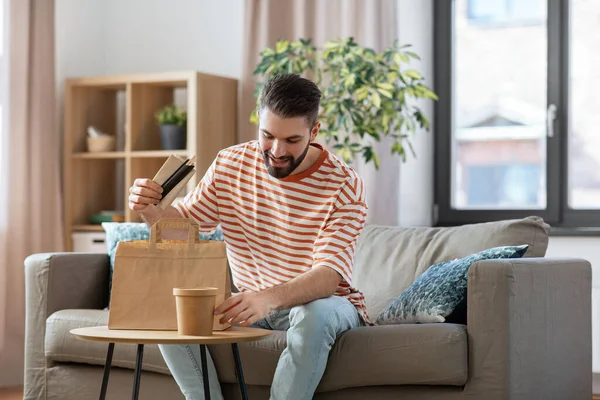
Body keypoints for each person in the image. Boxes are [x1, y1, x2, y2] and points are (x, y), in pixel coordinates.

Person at [128, 73, 370, 400]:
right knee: (169, 302)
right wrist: (150, 212)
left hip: (323, 305)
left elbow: (327, 278)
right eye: (267, 136)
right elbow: (182, 229)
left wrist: (266, 298)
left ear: (314, 132)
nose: (276, 151)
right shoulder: (231, 164)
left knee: (315, 314)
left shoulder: (344, 185)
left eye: (292, 140)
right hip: (252, 303)